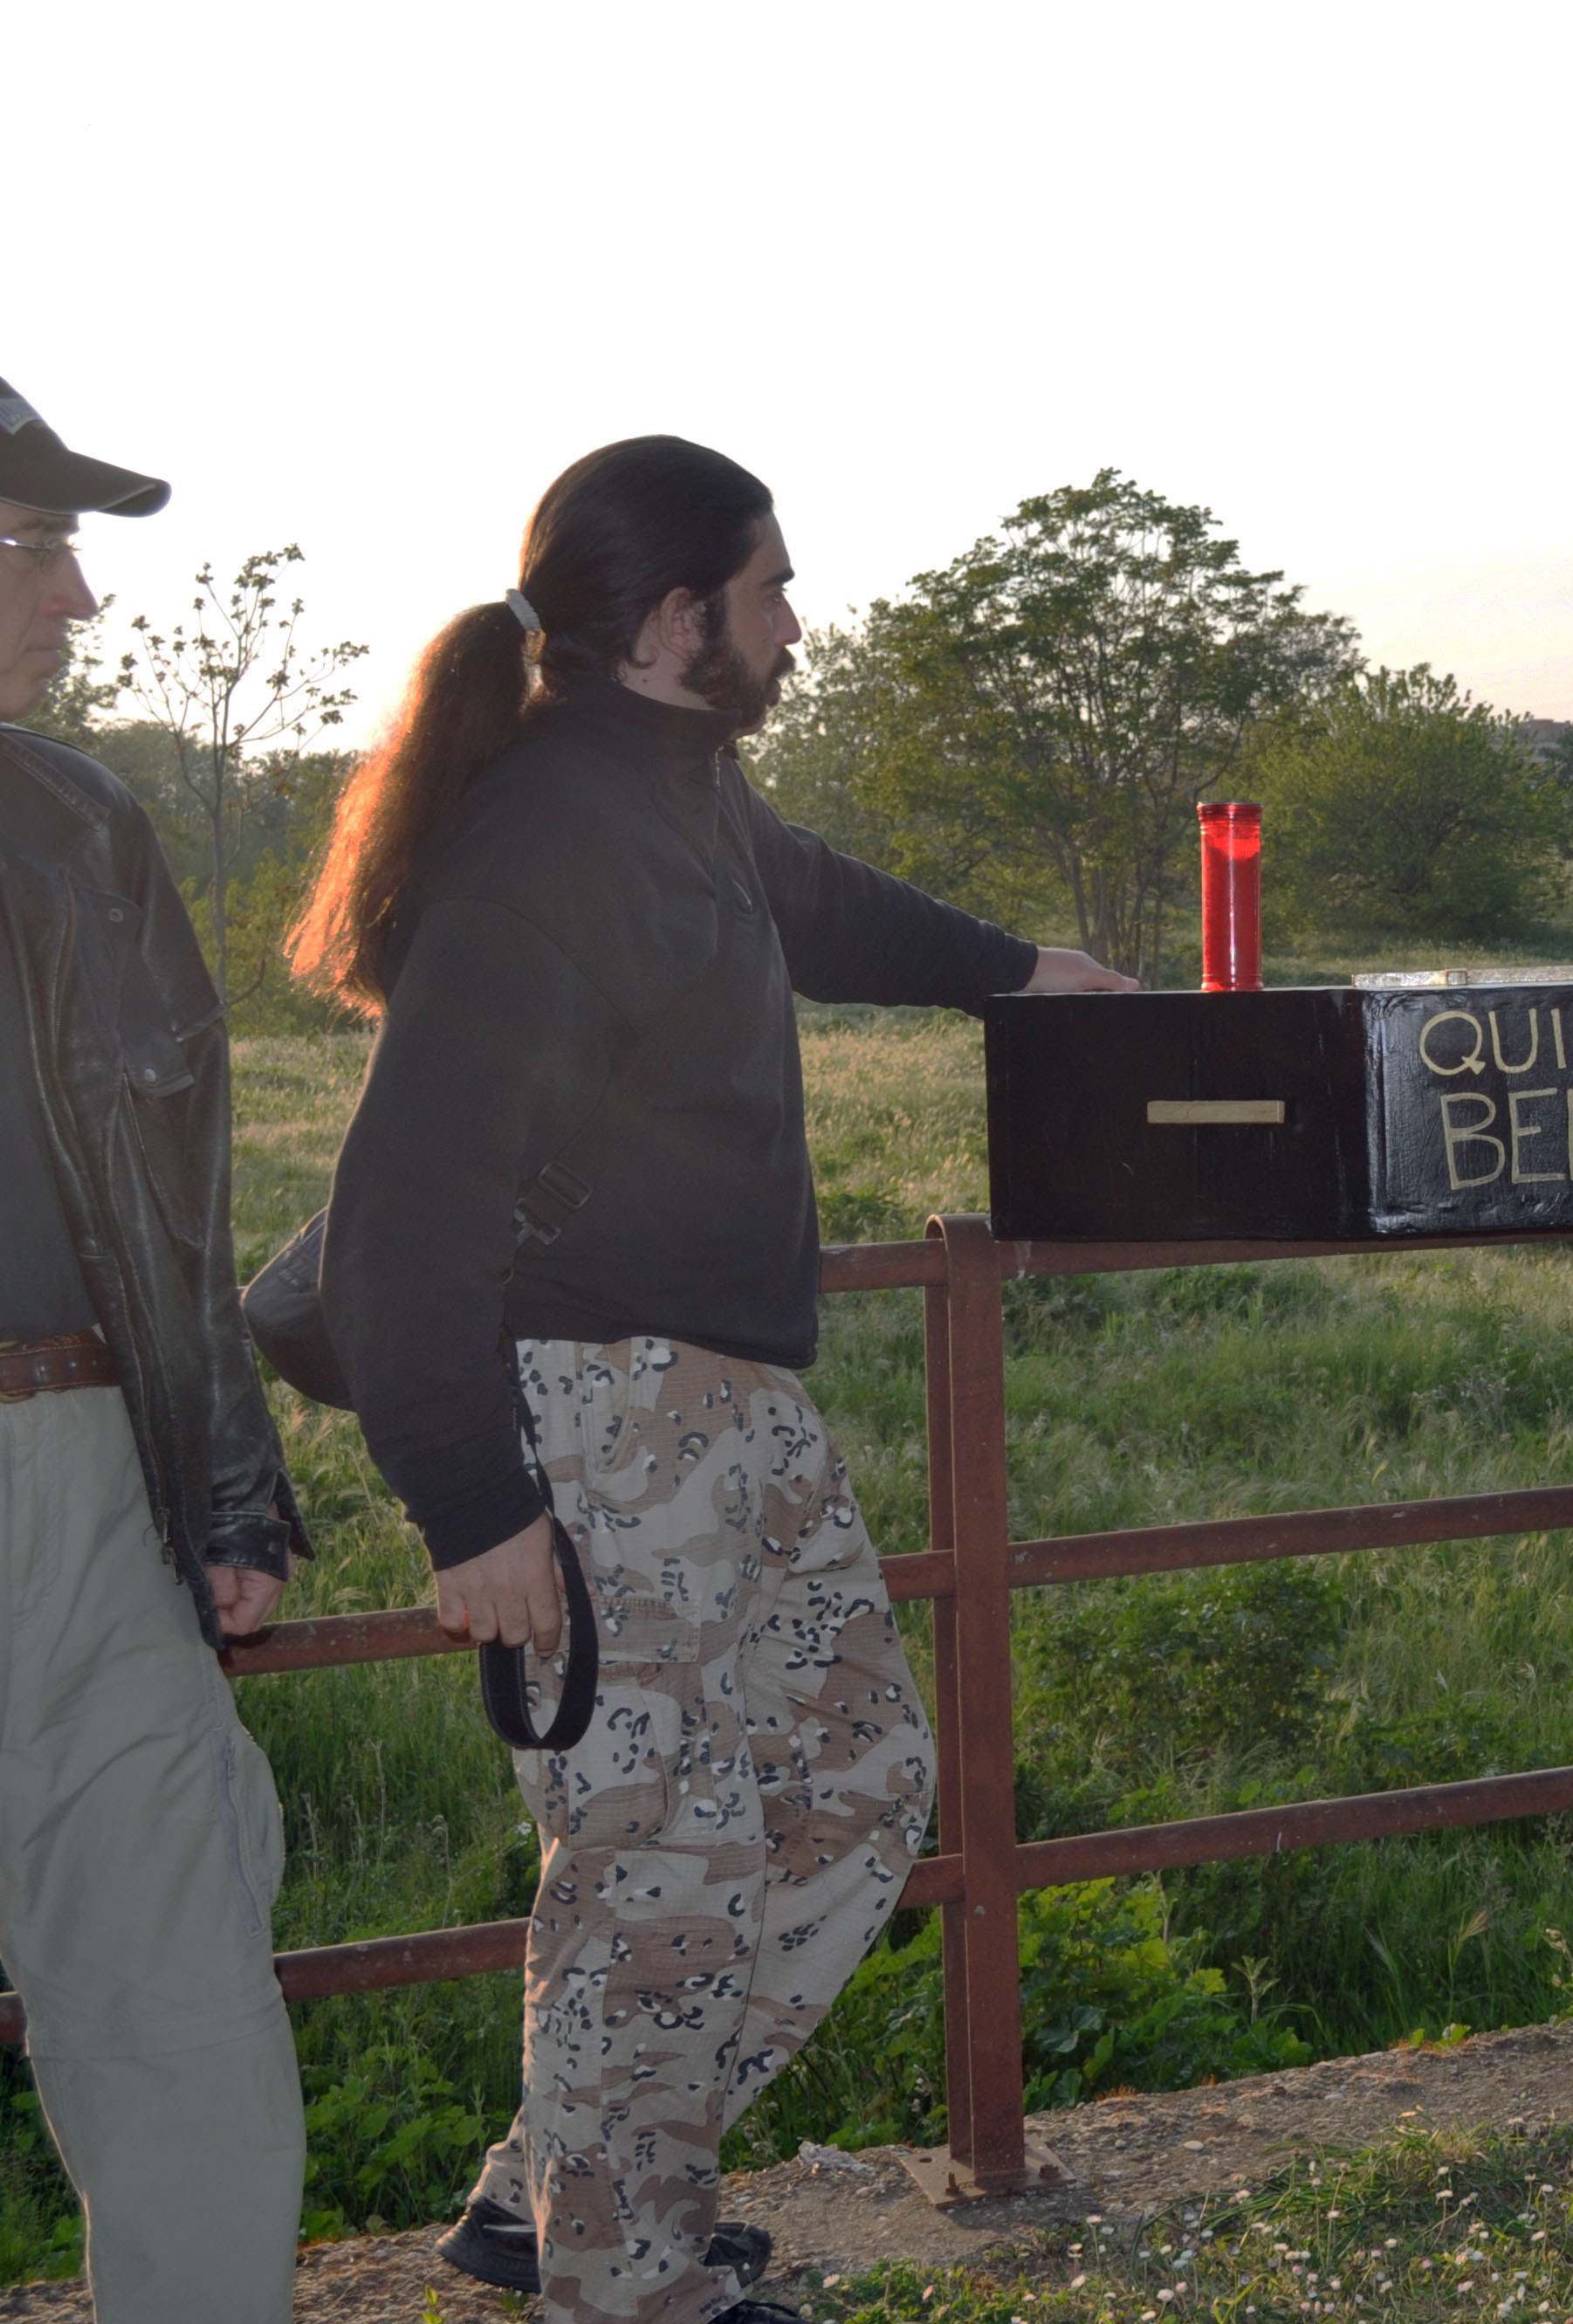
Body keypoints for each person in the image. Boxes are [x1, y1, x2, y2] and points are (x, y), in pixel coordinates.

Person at [292, 437, 1133, 2323]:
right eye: (771, 589)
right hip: (588, 1417)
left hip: (726, 1403)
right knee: (655, 1847)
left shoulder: (680, 788)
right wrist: (473, 1504)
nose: (795, 624)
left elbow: (823, 906)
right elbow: (403, 1204)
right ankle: (623, 2275)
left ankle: (570, 2181)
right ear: (678, 618)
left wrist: (1021, 969)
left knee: (850, 1778)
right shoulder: (546, 839)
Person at [0, 378, 310, 2315]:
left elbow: (178, 1198)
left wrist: (227, 1480)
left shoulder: (82, 825)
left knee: (181, 2001)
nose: (82, 600)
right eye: (37, 546)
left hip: (86, 1483)